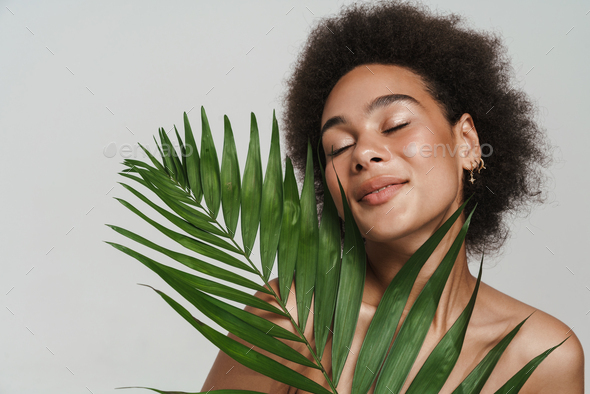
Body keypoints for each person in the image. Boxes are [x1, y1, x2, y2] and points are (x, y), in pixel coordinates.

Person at [202, 1, 584, 392]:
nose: (364, 153)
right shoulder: (294, 319)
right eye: (338, 146)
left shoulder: (542, 355)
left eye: (395, 124)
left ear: (467, 143)